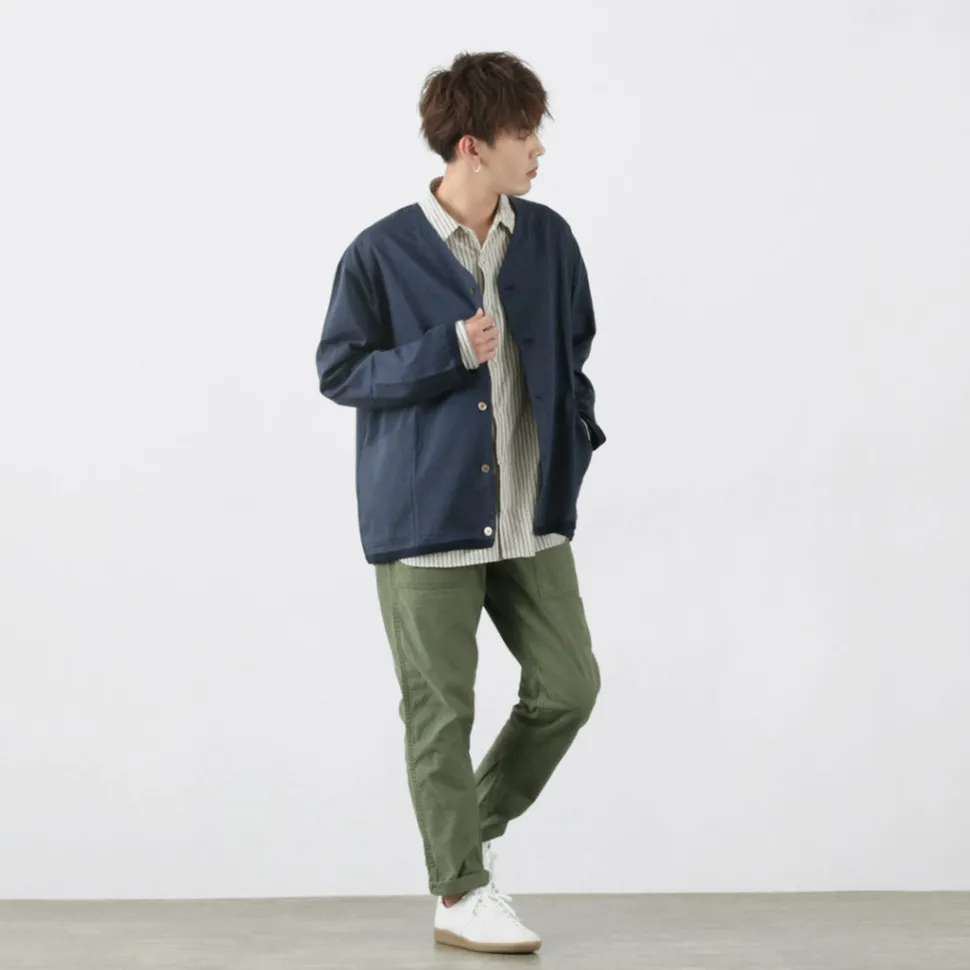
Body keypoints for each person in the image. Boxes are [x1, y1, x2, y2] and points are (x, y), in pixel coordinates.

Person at [314, 50, 606, 955]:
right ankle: (459, 892)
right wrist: (445, 350)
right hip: (426, 525)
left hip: (529, 515)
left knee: (570, 688)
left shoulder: (548, 238)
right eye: (524, 133)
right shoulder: (380, 253)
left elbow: (576, 349)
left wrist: (578, 437)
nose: (538, 149)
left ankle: (460, 841)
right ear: (472, 145)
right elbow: (340, 372)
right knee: (441, 713)